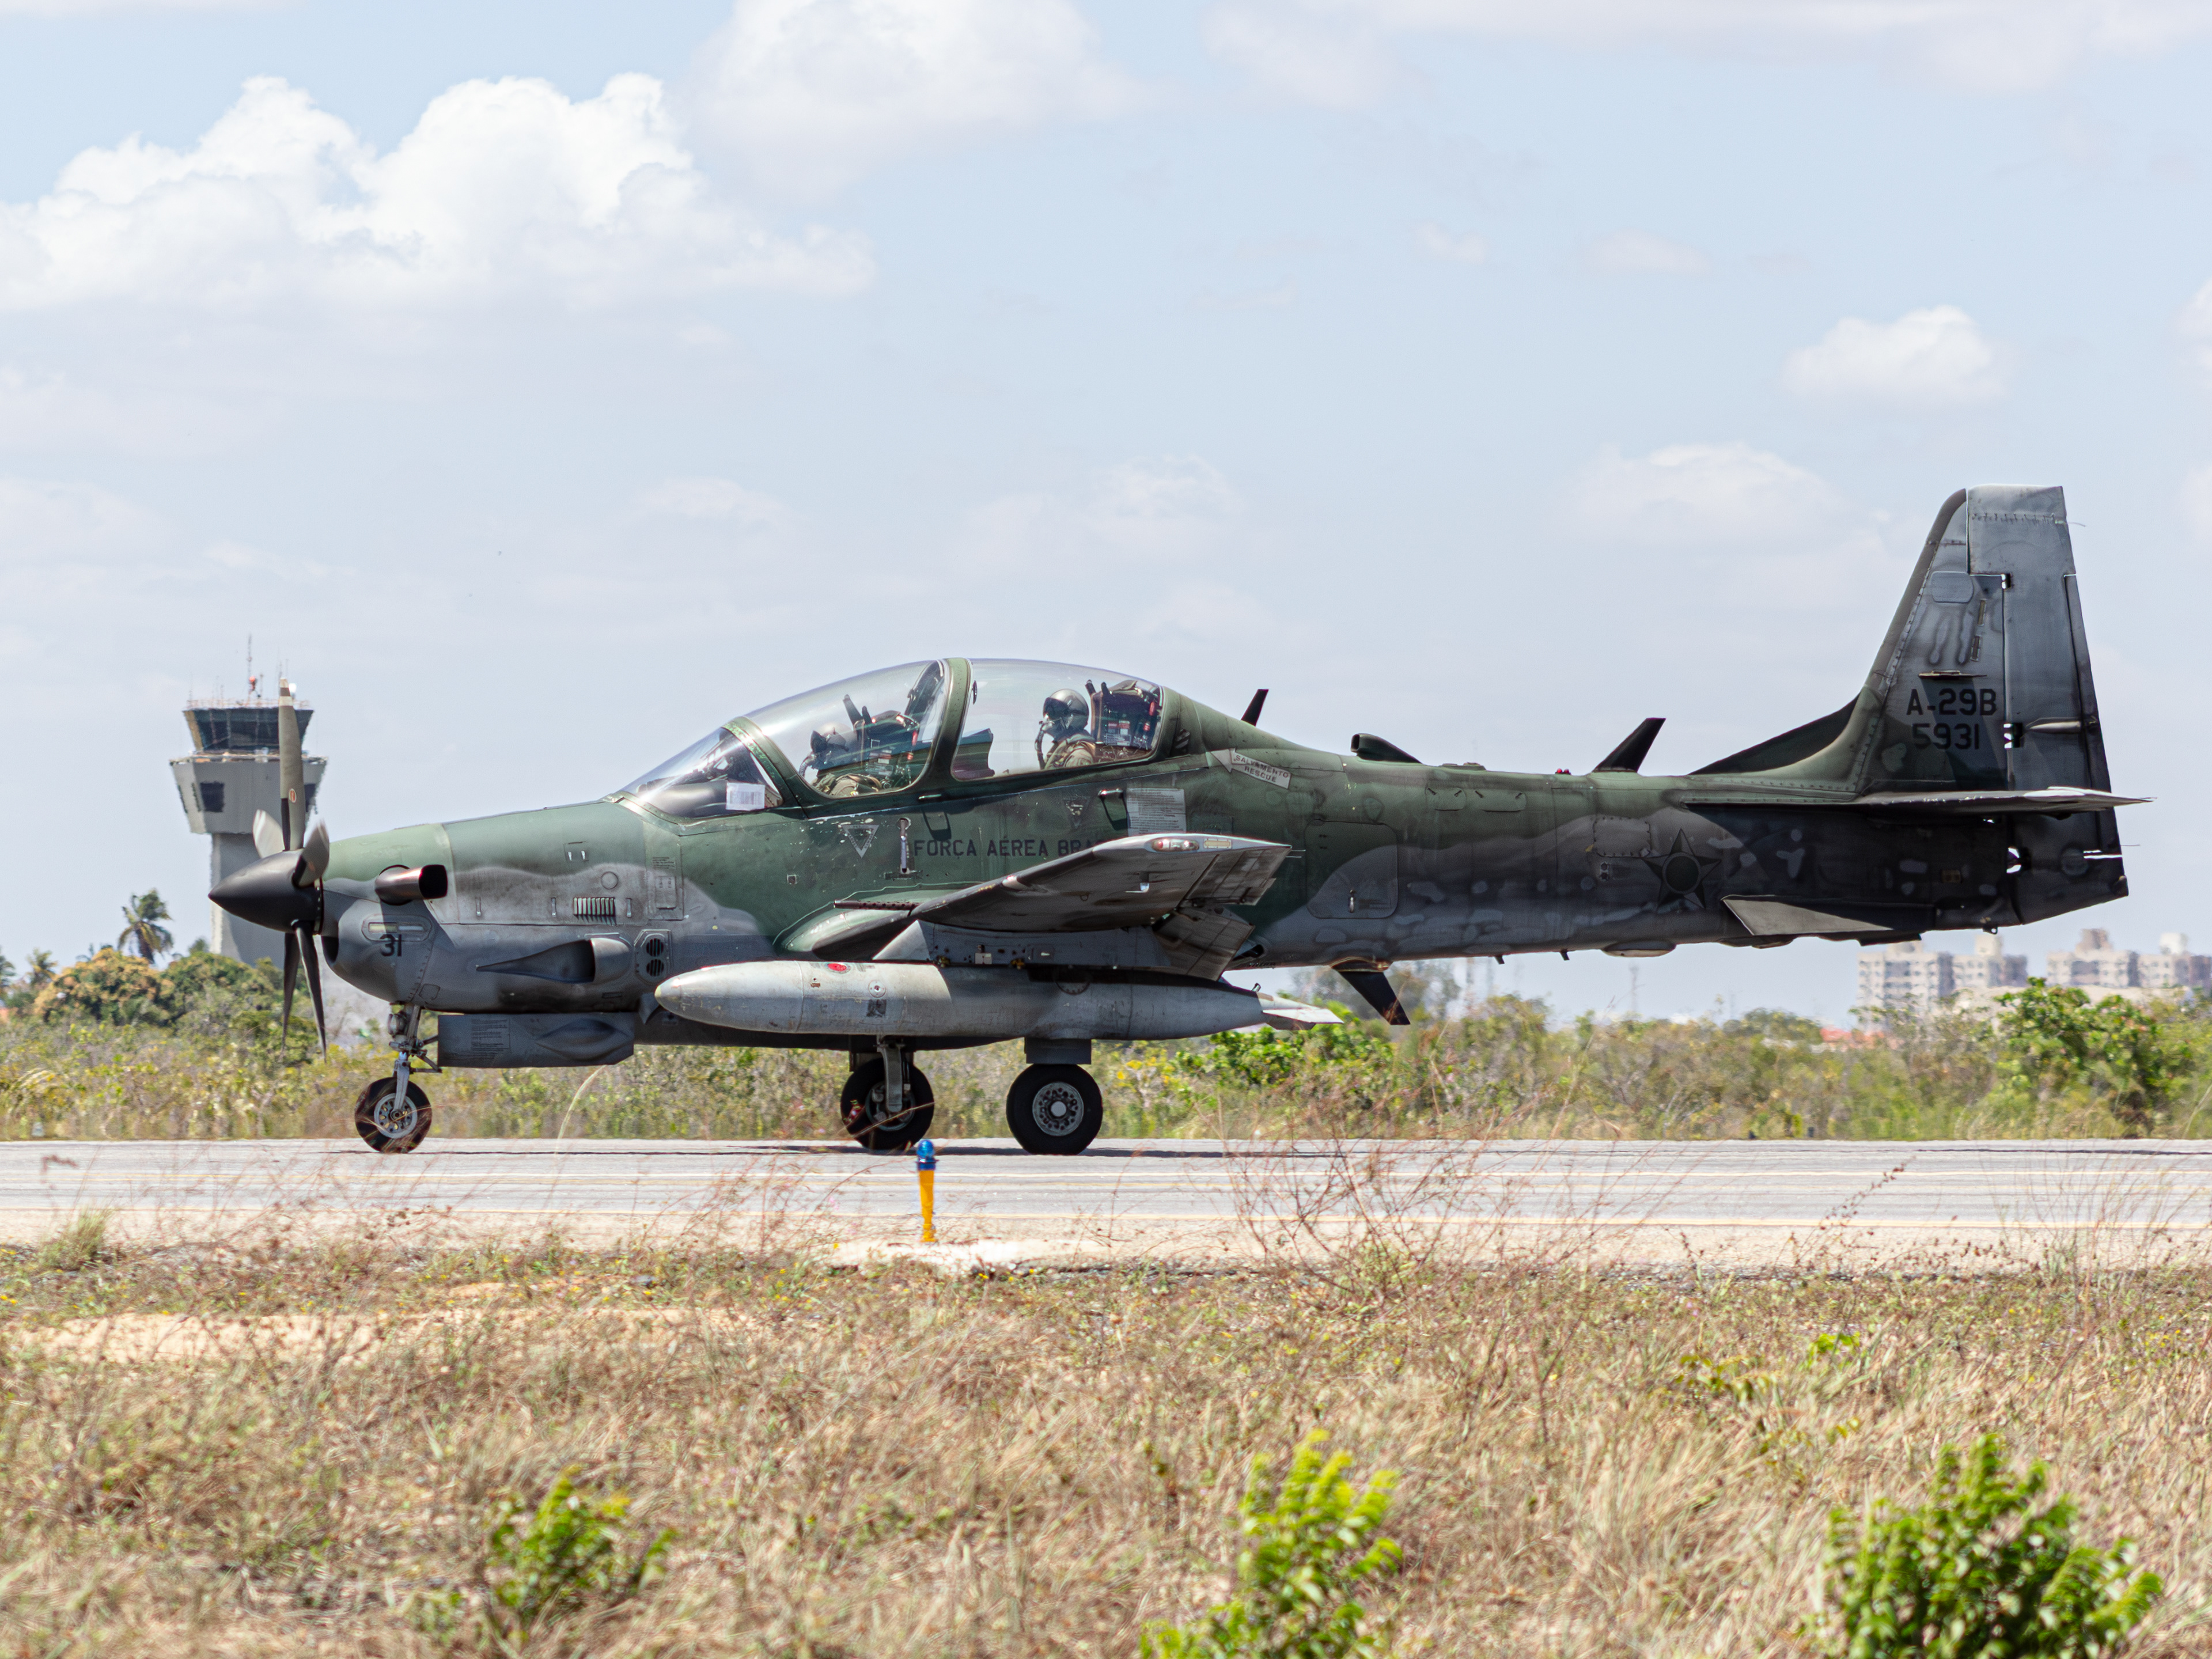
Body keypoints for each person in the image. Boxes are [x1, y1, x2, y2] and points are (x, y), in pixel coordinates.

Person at [1039, 688, 1097, 770]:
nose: (1046, 718)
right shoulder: (1061, 752)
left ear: (1070, 718)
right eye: (1046, 713)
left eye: (1053, 713)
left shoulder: (1079, 758)